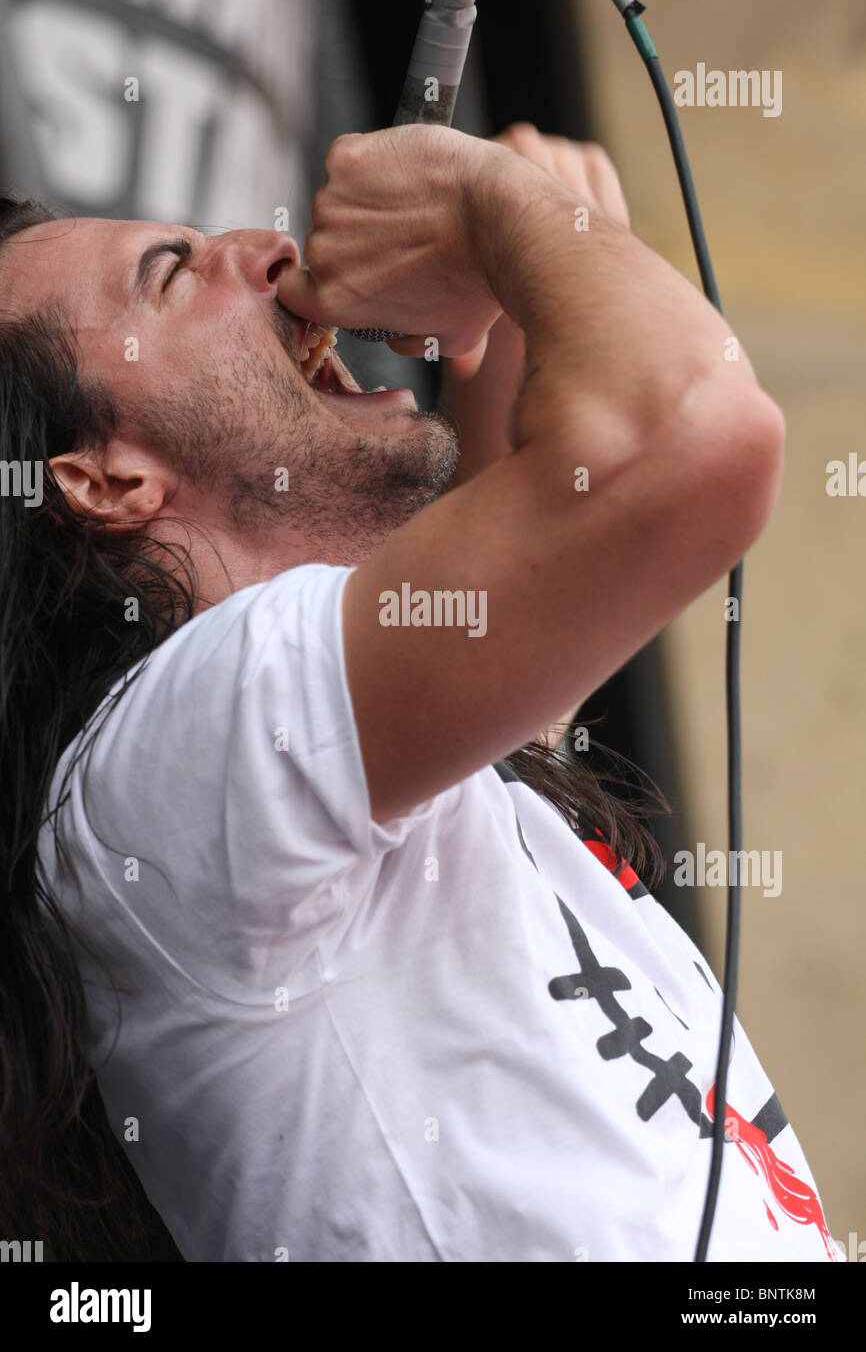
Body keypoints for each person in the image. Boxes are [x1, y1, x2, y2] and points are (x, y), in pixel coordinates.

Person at [0, 122, 839, 1262]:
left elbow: (557, 488)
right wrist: (484, 200)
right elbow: (692, 437)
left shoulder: (332, 739)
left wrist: (521, 258)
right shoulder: (175, 754)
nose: (265, 250)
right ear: (104, 479)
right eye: (174, 270)